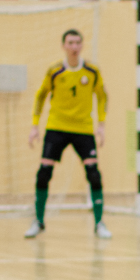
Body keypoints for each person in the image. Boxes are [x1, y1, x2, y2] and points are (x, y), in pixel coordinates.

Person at [26, 29, 112, 239]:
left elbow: (102, 96)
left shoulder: (92, 71)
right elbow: (40, 96)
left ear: (82, 46)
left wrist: (101, 124)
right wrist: (34, 125)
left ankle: (99, 223)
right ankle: (38, 221)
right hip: (57, 127)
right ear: (63, 45)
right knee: (44, 173)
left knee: (93, 173)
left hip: (83, 129)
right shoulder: (55, 71)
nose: (74, 47)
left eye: (78, 43)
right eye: (70, 43)